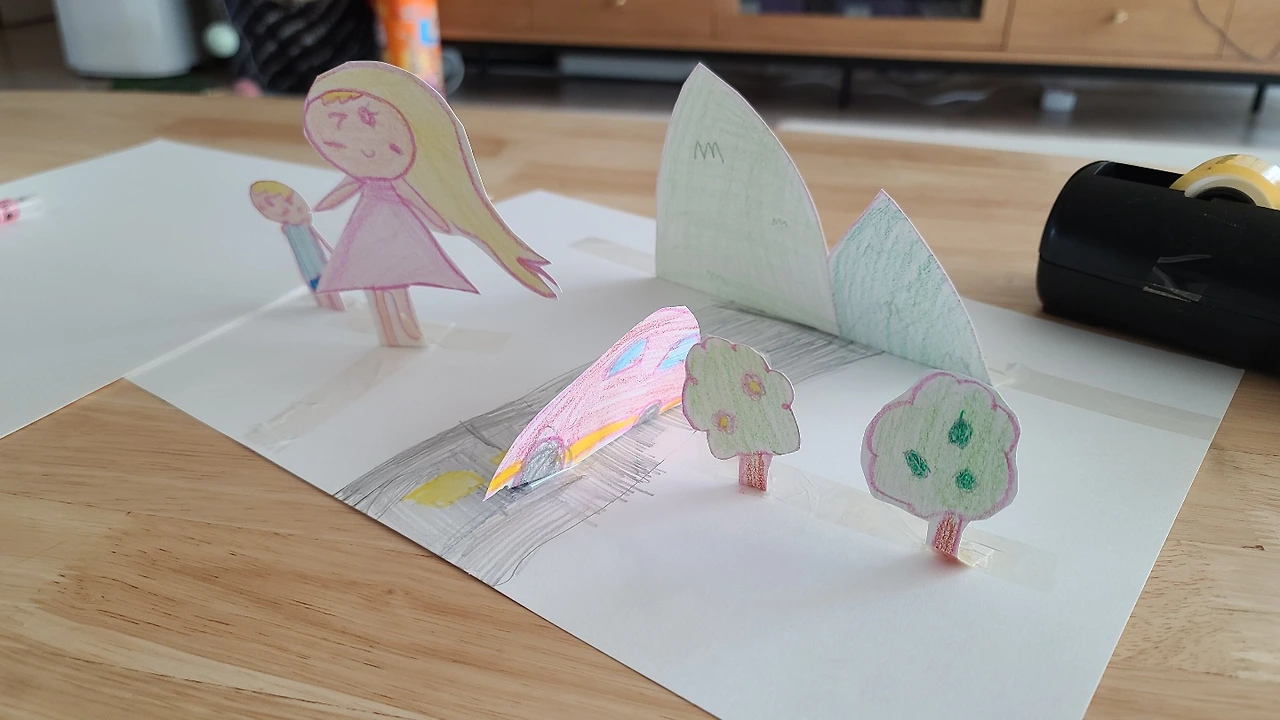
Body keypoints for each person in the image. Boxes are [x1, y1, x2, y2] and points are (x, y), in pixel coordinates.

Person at [303, 61, 557, 345]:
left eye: (388, 144)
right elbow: (341, 193)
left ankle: (406, 327)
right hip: (367, 233)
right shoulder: (364, 179)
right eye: (337, 145)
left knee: (394, 280)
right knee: (376, 283)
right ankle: (390, 330)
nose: (367, 151)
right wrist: (318, 206)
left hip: (398, 233)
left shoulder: (400, 183)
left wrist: (437, 217)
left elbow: (414, 200)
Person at [248, 180, 345, 311]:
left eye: (296, 208)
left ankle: (338, 307)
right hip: (308, 270)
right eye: (264, 208)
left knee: (329, 287)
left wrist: (334, 254)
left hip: (320, 266)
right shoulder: (288, 229)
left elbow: (319, 239)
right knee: (318, 290)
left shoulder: (303, 226)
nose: (284, 211)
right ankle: (326, 308)